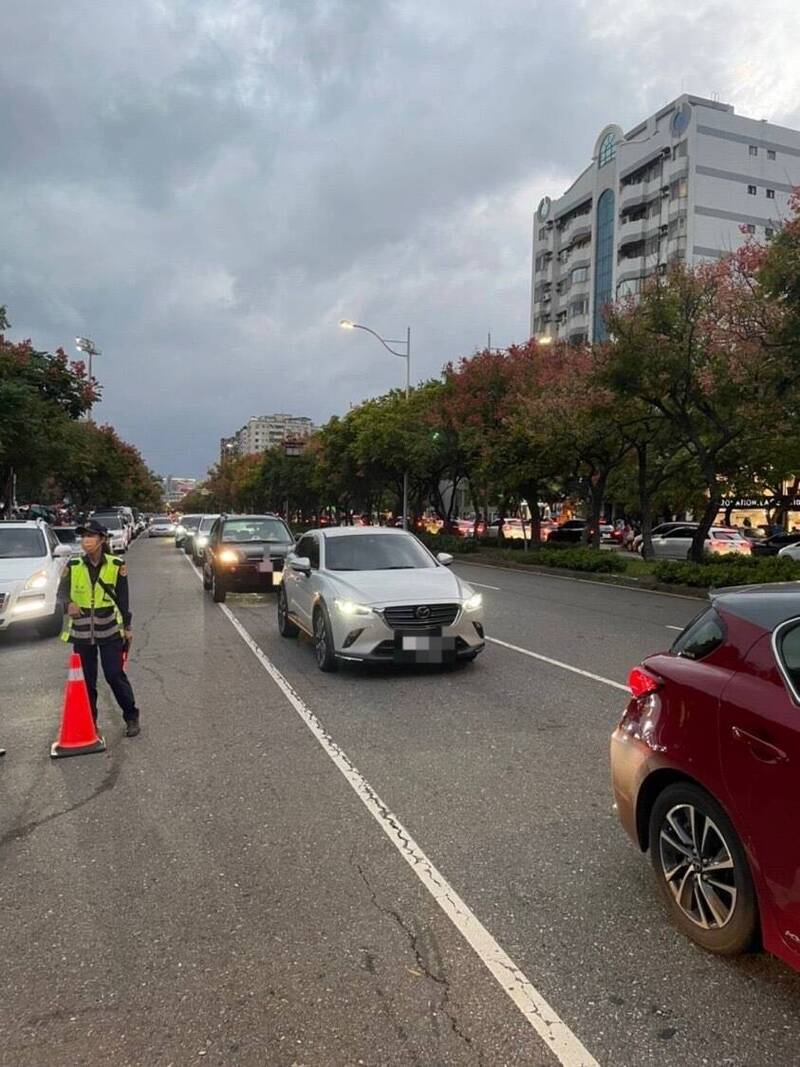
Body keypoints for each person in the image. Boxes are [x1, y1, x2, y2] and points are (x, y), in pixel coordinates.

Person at [59, 519, 141, 737]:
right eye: (83, 536)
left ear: (102, 539)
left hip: (110, 629)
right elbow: (61, 593)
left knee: (114, 675)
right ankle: (90, 722)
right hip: (82, 631)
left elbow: (123, 599)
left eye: (91, 535)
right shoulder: (73, 565)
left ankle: (131, 716)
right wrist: (68, 604)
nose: (86, 540)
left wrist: (128, 627)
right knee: (86, 681)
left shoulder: (116, 565)